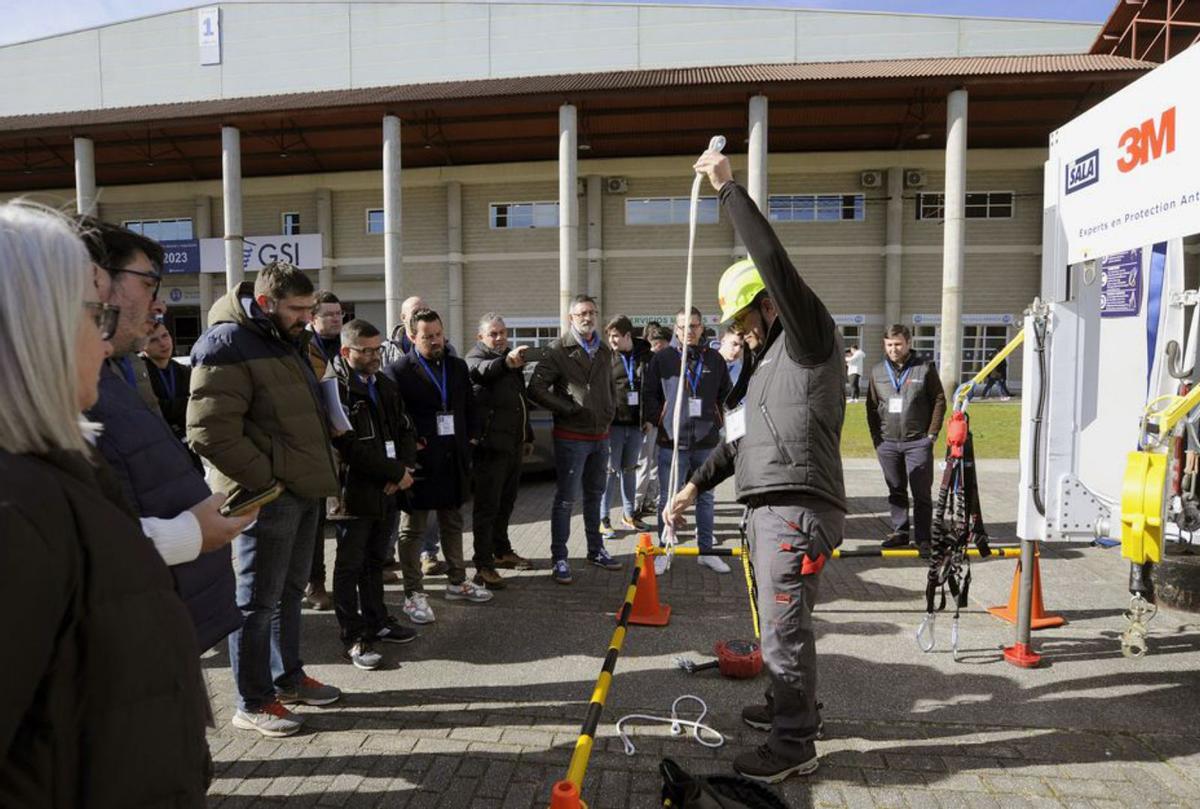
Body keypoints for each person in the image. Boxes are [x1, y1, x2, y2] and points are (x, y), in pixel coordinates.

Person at [0, 202, 210, 806]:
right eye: (95, 315)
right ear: (34, 326)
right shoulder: (16, 508)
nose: (105, 338)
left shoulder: (55, 470)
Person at [665, 150, 847, 783]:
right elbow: (737, 443)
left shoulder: (808, 339)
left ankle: (794, 744)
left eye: (742, 319)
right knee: (778, 623)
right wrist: (692, 486)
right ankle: (787, 707)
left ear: (770, 306)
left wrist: (727, 190)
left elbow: (774, 262)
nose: (737, 333)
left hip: (796, 508)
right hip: (769, 508)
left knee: (784, 628)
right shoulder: (764, 370)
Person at [189, 260, 343, 738]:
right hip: (269, 495)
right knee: (256, 602)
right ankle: (252, 701)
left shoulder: (285, 337)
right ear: (264, 303)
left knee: (289, 594)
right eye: (297, 309)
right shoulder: (226, 343)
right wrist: (269, 480)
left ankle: (287, 679)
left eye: (309, 308)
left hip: (301, 488)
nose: (306, 317)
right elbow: (208, 431)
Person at [82, 217, 250, 654]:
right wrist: (187, 534)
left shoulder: (109, 372)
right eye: (148, 283)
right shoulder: (43, 389)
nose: (157, 306)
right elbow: (62, 543)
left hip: (159, 628)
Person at [384, 307, 493, 622]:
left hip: (453, 459)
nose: (435, 341)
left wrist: (472, 439)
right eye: (427, 337)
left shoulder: (456, 366)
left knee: (453, 522)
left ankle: (457, 581)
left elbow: (469, 405)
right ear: (411, 336)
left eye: (438, 335)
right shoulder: (398, 371)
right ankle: (413, 593)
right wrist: (408, 448)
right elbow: (394, 417)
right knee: (413, 530)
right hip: (420, 463)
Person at [327, 319, 418, 670]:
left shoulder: (384, 384)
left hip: (388, 489)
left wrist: (404, 469)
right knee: (349, 566)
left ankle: (378, 620)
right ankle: (353, 636)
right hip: (353, 494)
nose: (374, 356)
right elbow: (348, 447)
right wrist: (393, 473)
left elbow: (405, 428)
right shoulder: (335, 390)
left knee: (375, 561)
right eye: (365, 351)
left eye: (377, 349)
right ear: (346, 351)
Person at [528, 294, 623, 584]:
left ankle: (596, 550)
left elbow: (610, 385)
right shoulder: (557, 350)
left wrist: (610, 409)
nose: (587, 317)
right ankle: (559, 557)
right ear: (571, 318)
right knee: (566, 500)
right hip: (571, 437)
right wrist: (568, 408)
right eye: (581, 313)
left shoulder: (604, 349)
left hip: (600, 435)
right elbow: (536, 389)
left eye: (591, 312)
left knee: (595, 496)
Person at [645, 306, 732, 575]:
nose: (688, 331)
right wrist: (661, 421)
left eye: (694, 326)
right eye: (683, 327)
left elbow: (725, 394)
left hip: (706, 441)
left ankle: (706, 551)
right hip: (672, 442)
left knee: (705, 497)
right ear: (676, 328)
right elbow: (650, 395)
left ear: (702, 328)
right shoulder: (663, 358)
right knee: (667, 499)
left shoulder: (714, 359)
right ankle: (664, 550)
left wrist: (718, 421)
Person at [467, 313, 536, 583]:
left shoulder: (511, 360)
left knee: (506, 504)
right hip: (490, 449)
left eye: (503, 333)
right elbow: (482, 371)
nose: (499, 338)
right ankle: (483, 564)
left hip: (513, 445)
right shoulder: (475, 358)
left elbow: (520, 402)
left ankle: (502, 551)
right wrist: (506, 363)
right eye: (493, 334)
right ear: (480, 337)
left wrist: (527, 436)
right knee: (487, 508)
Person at [866, 324, 946, 553]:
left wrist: (931, 434)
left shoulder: (924, 368)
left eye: (898, 344)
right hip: (888, 443)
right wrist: (877, 438)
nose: (894, 349)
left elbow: (939, 400)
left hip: (917, 442)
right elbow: (871, 406)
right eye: (889, 345)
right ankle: (900, 532)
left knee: (921, 493)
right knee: (896, 489)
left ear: (908, 343)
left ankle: (923, 538)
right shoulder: (877, 371)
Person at [301, 290, 344, 612]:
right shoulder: (303, 349)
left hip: (348, 440)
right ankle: (314, 582)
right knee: (315, 520)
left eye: (339, 313)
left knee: (351, 512)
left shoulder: (349, 344)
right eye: (328, 314)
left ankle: (354, 575)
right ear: (312, 318)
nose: (336, 319)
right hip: (315, 444)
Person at [600, 315, 652, 539]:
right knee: (610, 472)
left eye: (615, 336)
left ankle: (629, 514)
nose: (611, 340)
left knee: (630, 470)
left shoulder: (645, 356)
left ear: (628, 335)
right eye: (609, 336)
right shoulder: (606, 358)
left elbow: (651, 390)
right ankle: (603, 518)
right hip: (613, 425)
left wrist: (649, 418)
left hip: (636, 425)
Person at [635, 324, 673, 516]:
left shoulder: (665, 362)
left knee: (656, 464)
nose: (665, 348)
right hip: (650, 421)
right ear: (656, 344)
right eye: (662, 344)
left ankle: (649, 500)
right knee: (644, 463)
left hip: (662, 420)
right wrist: (648, 419)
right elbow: (646, 394)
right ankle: (635, 505)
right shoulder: (645, 363)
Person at [142, 321, 192, 444]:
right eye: (153, 340)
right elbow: (151, 410)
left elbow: (195, 407)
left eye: (165, 335)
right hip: (154, 441)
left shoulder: (185, 371)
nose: (163, 343)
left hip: (186, 440)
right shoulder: (138, 373)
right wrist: (184, 404)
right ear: (142, 345)